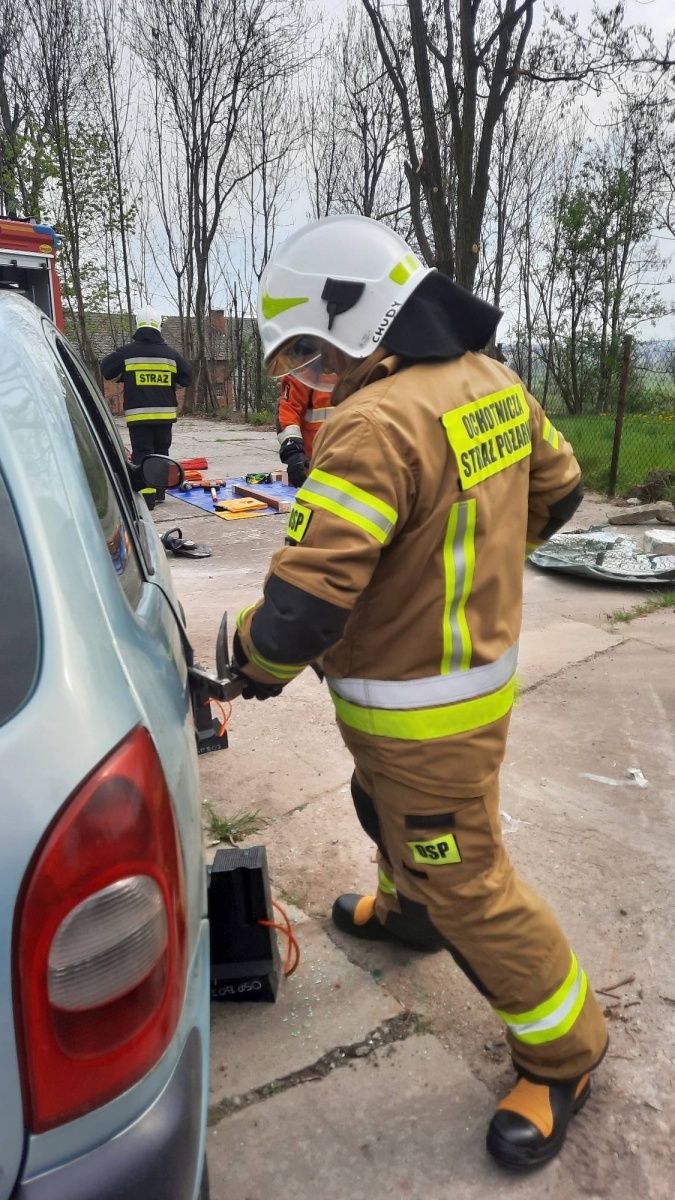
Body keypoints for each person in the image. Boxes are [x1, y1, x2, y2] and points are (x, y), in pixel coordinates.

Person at [231, 214, 608, 1170]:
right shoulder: (493, 382)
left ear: (362, 320)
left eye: (315, 349)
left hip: (416, 702)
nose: (314, 374)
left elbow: (303, 609)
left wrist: (244, 660)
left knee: (466, 876)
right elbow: (558, 491)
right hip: (461, 689)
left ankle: (565, 1051)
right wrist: (477, 571)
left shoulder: (372, 422)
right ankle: (408, 915)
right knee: (380, 804)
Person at [101, 306, 191, 509]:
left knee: (142, 454)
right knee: (161, 453)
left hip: (139, 417)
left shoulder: (127, 352)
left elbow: (106, 370)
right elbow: (187, 378)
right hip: (164, 418)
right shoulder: (170, 355)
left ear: (137, 324)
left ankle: (147, 499)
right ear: (159, 326)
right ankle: (159, 492)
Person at [276, 374, 332, 487]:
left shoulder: (364, 368)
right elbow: (288, 413)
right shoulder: (306, 369)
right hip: (312, 472)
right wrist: (293, 452)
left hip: (354, 470)